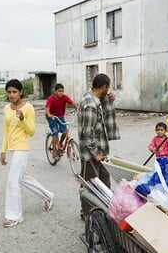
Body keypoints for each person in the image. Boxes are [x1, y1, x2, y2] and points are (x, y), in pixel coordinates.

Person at [0, 79, 54, 227]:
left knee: (12, 181)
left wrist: (23, 119)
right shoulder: (6, 108)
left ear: (21, 92)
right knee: (22, 177)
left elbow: (31, 131)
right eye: (9, 92)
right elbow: (6, 130)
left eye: (14, 92)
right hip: (12, 148)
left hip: (22, 148)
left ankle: (14, 216)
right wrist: (3, 150)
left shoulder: (28, 108)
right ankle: (48, 196)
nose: (11, 95)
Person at [78, 73, 120, 217]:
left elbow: (104, 113)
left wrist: (109, 100)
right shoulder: (90, 104)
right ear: (104, 87)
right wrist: (95, 153)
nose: (108, 91)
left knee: (104, 183)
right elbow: (87, 132)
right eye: (108, 88)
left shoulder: (94, 98)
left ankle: (103, 212)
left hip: (101, 150)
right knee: (90, 186)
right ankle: (88, 215)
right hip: (91, 154)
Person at [45, 83, 77, 157]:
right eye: (59, 91)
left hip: (60, 117)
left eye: (62, 91)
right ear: (55, 91)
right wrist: (49, 114)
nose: (61, 93)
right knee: (55, 132)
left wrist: (77, 108)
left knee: (65, 132)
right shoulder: (51, 98)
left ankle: (60, 144)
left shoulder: (65, 97)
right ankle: (54, 150)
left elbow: (72, 103)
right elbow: (47, 107)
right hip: (52, 117)